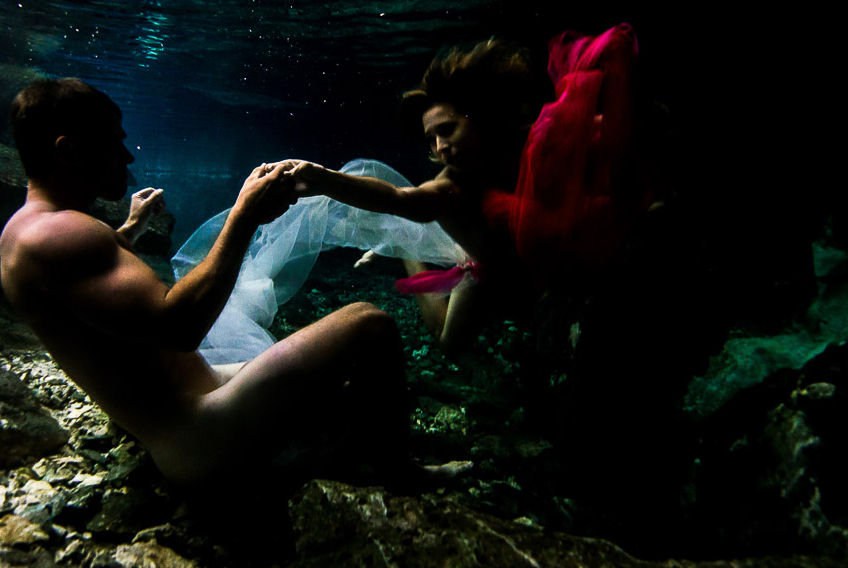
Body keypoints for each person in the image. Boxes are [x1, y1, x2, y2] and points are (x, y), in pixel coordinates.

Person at [0, 77, 411, 488]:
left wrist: (129, 231)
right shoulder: (59, 236)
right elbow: (181, 328)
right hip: (198, 430)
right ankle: (398, 474)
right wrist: (244, 215)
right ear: (68, 150)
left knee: (333, 386)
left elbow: (87, 293)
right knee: (369, 323)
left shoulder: (29, 232)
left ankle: (342, 455)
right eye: (113, 142)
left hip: (185, 413)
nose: (126, 156)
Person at [280, 25, 658, 353]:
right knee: (450, 344)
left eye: (447, 131)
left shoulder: (527, 142)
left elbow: (599, 135)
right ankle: (407, 250)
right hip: (489, 273)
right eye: (431, 140)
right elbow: (397, 198)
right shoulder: (451, 186)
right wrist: (326, 179)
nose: (440, 147)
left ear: (479, 119)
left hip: (540, 266)